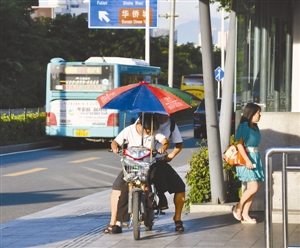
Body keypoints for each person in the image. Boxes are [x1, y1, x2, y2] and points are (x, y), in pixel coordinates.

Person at [104, 113, 169, 234]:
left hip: (148, 165)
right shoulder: (128, 130)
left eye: (152, 131)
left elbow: (165, 141)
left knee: (157, 176)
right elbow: (115, 142)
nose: (150, 132)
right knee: (123, 191)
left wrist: (163, 148)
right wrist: (115, 148)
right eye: (148, 130)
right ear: (140, 125)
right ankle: (118, 222)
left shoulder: (154, 131)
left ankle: (162, 200)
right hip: (131, 167)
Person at [150, 113, 186, 232]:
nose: (163, 120)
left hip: (160, 160)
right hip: (143, 161)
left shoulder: (171, 125)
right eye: (160, 117)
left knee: (180, 187)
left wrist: (170, 156)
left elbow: (179, 144)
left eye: (166, 117)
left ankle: (177, 218)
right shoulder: (145, 121)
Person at [232, 103, 264, 224]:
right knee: (254, 187)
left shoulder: (255, 127)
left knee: (252, 188)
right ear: (250, 113)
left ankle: (245, 214)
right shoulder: (244, 127)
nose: (259, 115)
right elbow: (239, 144)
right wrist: (247, 160)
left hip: (255, 157)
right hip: (247, 158)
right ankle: (238, 207)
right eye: (257, 112)